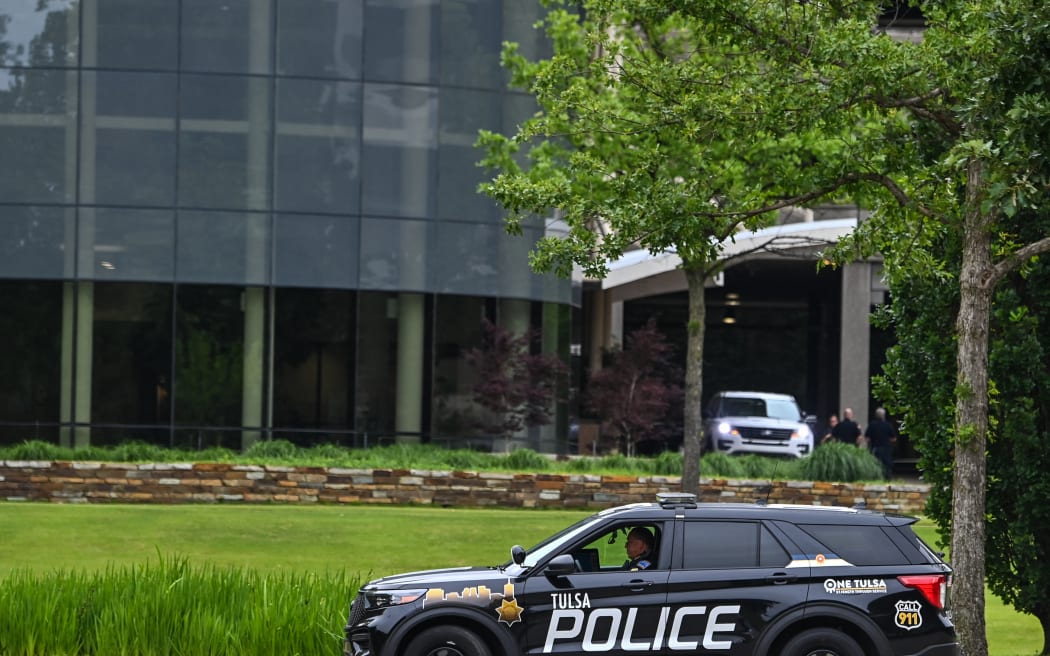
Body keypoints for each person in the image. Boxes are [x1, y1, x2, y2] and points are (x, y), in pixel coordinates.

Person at [864, 407, 897, 480]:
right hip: (886, 448)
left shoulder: (872, 425)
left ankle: (875, 477)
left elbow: (867, 438)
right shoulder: (888, 425)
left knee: (875, 464)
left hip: (875, 448)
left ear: (876, 415)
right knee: (887, 464)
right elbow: (894, 438)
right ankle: (887, 478)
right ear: (884, 415)